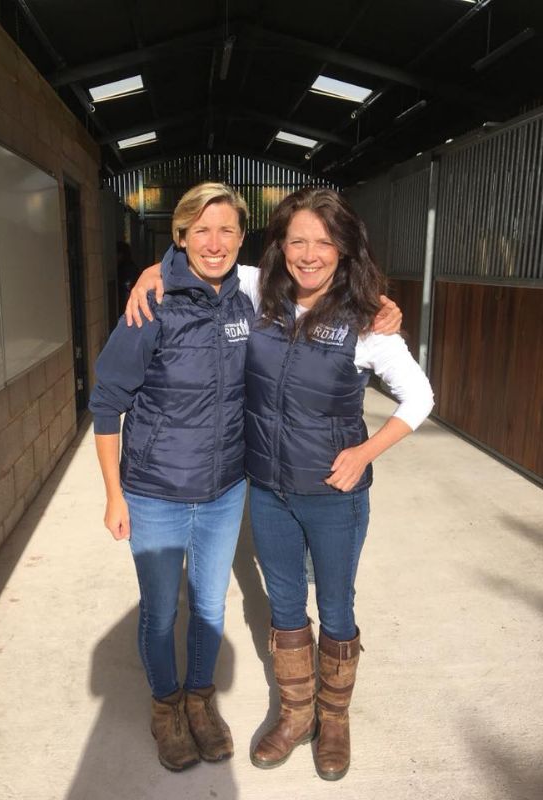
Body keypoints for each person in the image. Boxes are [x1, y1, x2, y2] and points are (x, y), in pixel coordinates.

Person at [127, 186, 433, 782]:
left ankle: (334, 720)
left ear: (343, 252)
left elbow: (420, 396)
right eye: (298, 241)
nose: (309, 254)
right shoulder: (256, 292)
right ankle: (296, 714)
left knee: (337, 607)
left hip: (334, 496)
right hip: (267, 489)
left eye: (324, 242)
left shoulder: (367, 323)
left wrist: (365, 451)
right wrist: (147, 275)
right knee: (287, 606)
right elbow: (198, 254)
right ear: (280, 247)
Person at [89, 183, 255, 772]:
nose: (214, 243)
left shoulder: (248, 298)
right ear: (179, 236)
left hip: (224, 489)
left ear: (242, 236)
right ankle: (166, 708)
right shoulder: (151, 304)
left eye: (227, 230)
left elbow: (319, 281)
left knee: (210, 606)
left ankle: (200, 700)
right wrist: (114, 494)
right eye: (200, 230)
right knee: (161, 611)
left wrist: (381, 307)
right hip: (155, 491)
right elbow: (106, 401)